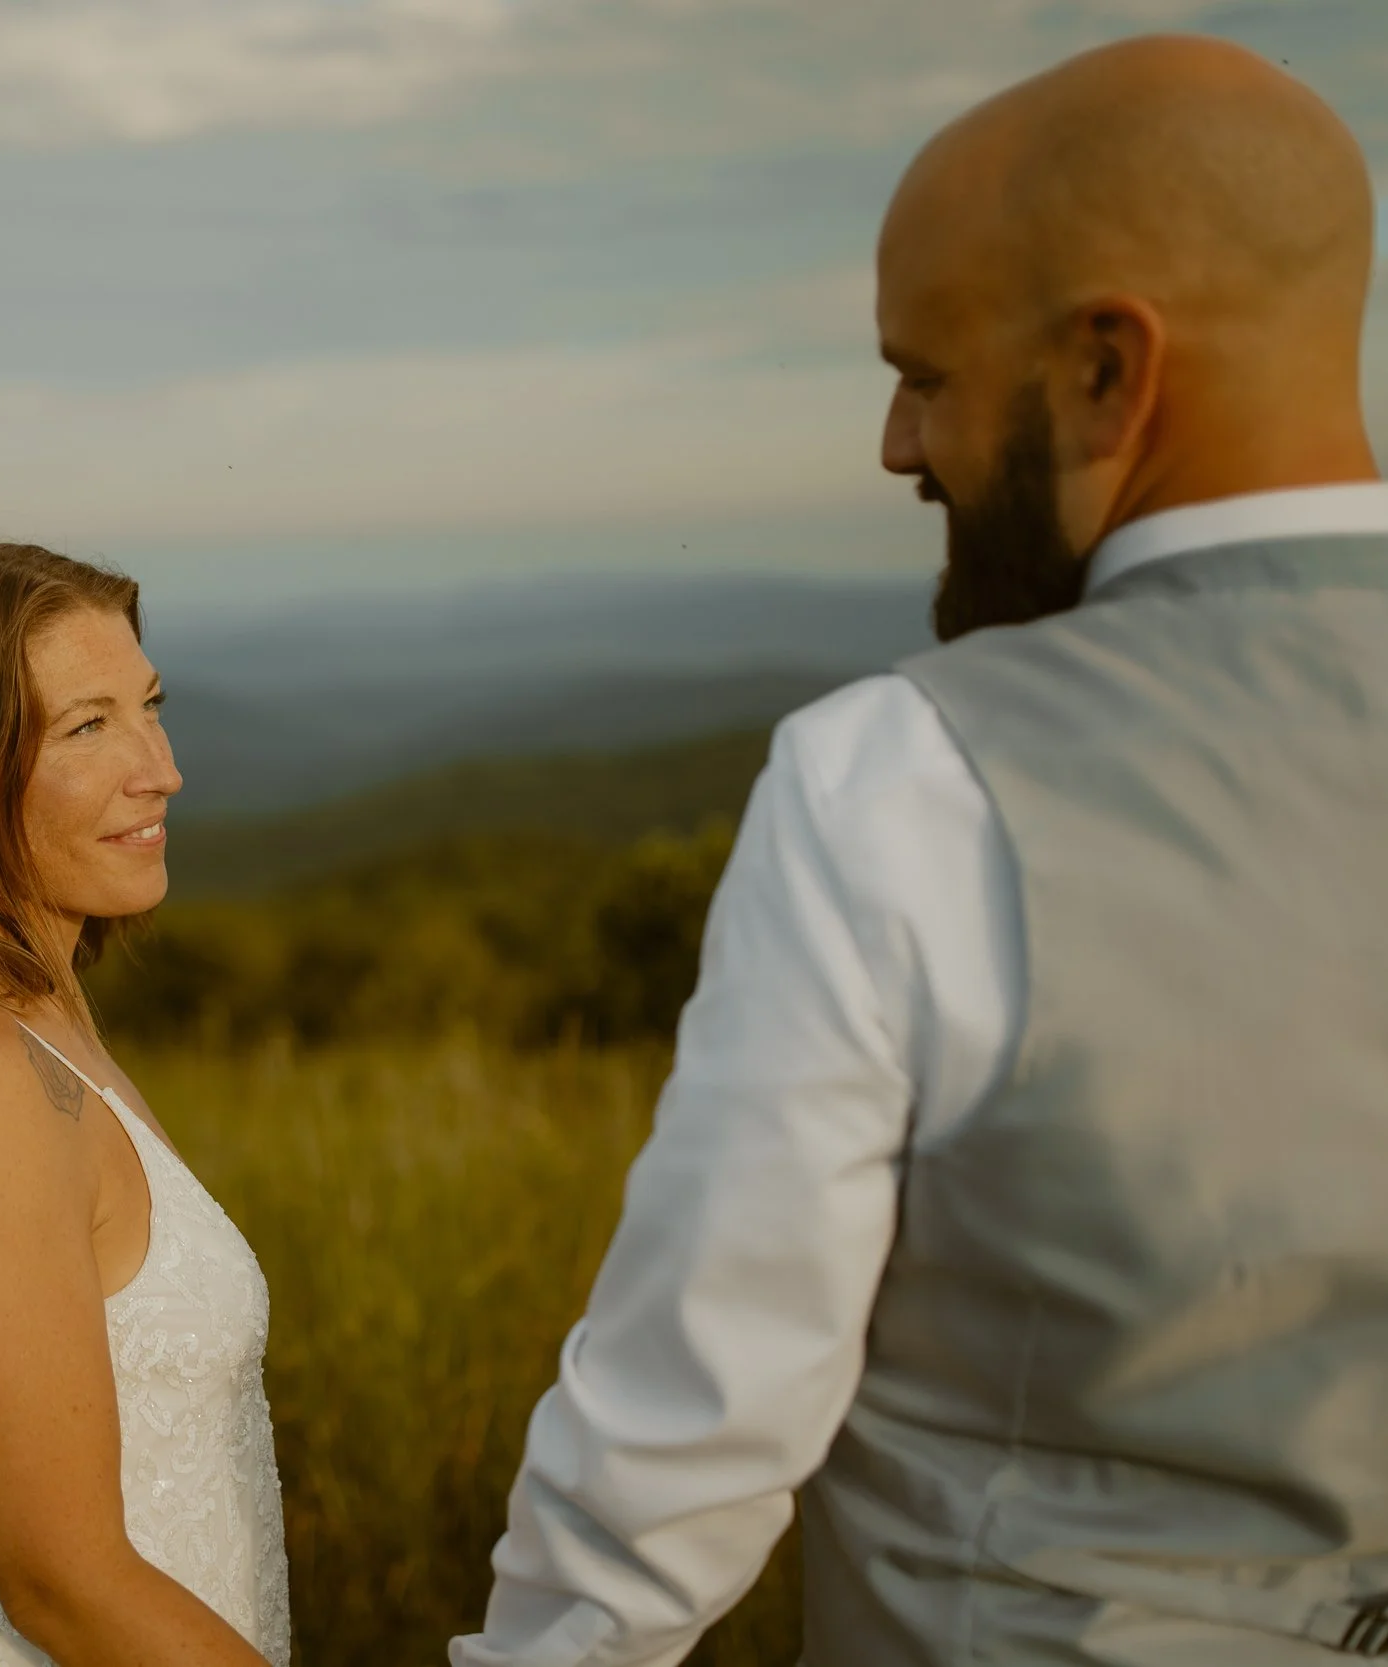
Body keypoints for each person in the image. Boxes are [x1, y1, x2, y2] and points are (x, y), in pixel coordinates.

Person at [453, 35, 1388, 1667]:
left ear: (1109, 368)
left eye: (927, 374)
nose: (898, 446)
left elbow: (688, 1433)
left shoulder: (902, 778)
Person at [0, 541, 290, 1666]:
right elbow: (62, 1585)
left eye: (150, 707)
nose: (160, 768)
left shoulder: (30, 1012)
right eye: (88, 727)